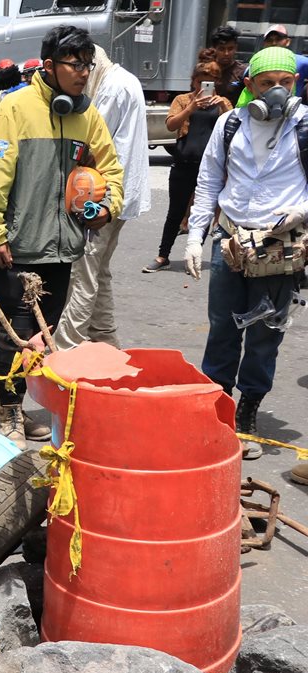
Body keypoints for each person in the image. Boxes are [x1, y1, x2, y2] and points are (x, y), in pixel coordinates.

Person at [0, 25, 123, 448]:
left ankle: (13, 404)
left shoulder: (87, 115)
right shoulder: (15, 108)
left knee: (43, 335)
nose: (84, 72)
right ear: (51, 66)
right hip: (16, 246)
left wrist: (108, 206)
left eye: (88, 64)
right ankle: (10, 410)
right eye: (76, 64)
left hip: (62, 249)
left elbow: (111, 169)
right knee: (15, 335)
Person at [184, 46, 308, 464]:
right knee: (222, 327)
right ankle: (217, 409)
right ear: (250, 84)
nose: (276, 90)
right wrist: (194, 238)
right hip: (231, 239)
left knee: (265, 333)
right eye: (267, 83)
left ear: (296, 83)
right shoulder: (230, 123)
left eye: (285, 83)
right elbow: (208, 181)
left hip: (278, 245)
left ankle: (248, 411)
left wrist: (302, 212)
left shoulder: (304, 124)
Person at [51, 45, 149, 350]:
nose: (81, 77)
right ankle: (105, 338)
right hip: (120, 192)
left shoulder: (111, 88)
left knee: (83, 272)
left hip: (103, 195)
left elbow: (91, 139)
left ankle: (66, 346)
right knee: (99, 269)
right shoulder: (126, 80)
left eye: (82, 69)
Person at [145, 61, 231, 274]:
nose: (204, 87)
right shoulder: (182, 100)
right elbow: (171, 125)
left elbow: (232, 128)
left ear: (216, 83)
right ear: (193, 81)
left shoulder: (222, 103)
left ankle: (193, 255)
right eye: (200, 82)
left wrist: (222, 106)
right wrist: (191, 108)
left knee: (203, 213)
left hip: (209, 169)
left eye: (209, 82)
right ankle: (163, 255)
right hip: (183, 164)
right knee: (174, 213)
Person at [260, 25, 308, 97]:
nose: (274, 43)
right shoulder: (257, 63)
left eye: (278, 39)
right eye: (269, 40)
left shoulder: (301, 62)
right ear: (264, 43)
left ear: (287, 41)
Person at [209, 26, 247, 106]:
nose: (226, 53)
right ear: (214, 49)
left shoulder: (243, 72)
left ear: (236, 48)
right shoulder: (206, 70)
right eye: (221, 49)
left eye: (230, 49)